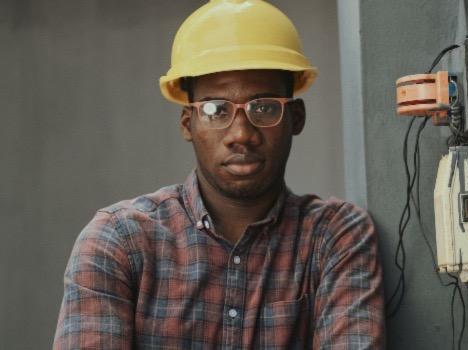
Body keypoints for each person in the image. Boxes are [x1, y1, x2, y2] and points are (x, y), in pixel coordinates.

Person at [53, 0, 384, 348]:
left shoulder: (334, 237)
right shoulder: (119, 241)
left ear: (296, 118)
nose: (241, 133)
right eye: (215, 110)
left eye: (264, 107)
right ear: (188, 123)